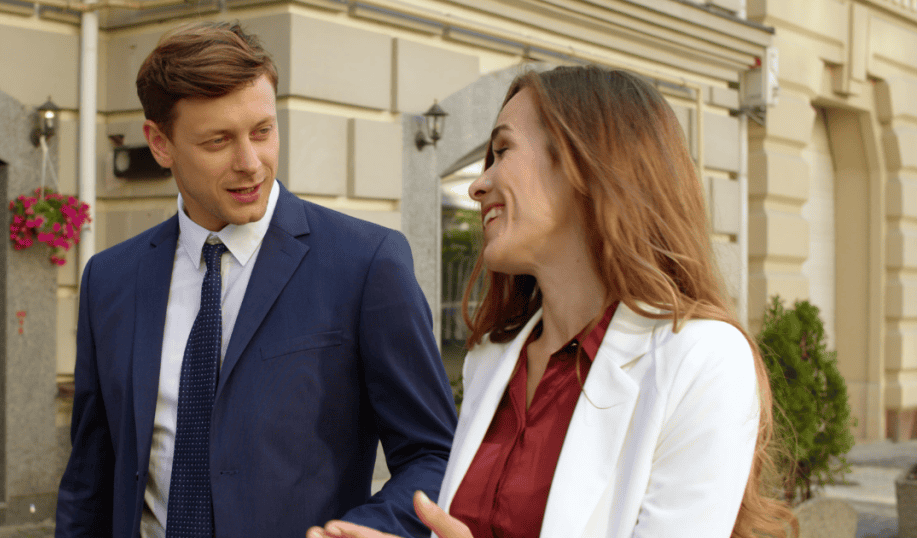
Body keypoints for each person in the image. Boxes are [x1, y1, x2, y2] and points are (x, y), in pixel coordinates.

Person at [308, 65, 796, 538]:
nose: (479, 185)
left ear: (585, 164)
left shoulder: (703, 360)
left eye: (502, 151)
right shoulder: (491, 361)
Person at [54, 21, 457, 538]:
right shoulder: (109, 279)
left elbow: (435, 453)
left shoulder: (366, 263)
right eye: (218, 140)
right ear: (160, 144)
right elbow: (89, 477)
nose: (251, 164)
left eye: (263, 131)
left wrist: (368, 529)